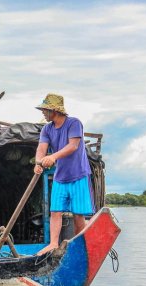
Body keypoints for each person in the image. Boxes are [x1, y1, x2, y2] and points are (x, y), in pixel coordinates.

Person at [34, 93, 94, 255]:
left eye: (45, 110)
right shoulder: (47, 129)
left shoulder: (74, 123)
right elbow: (41, 149)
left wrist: (52, 157)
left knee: (78, 215)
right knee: (55, 211)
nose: (43, 113)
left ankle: (79, 245)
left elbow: (73, 146)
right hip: (61, 177)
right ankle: (53, 243)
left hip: (78, 175)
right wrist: (38, 163)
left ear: (55, 111)